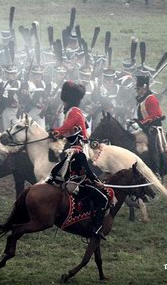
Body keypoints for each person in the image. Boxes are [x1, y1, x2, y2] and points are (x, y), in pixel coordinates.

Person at [47, 81, 109, 240]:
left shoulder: (73, 112)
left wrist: (54, 133)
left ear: (67, 98)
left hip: (79, 147)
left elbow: (66, 127)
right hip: (74, 143)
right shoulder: (72, 110)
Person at [132, 74, 165, 174]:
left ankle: (157, 171)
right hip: (145, 127)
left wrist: (140, 123)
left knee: (152, 146)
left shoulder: (151, 99)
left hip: (153, 128)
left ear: (144, 87)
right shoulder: (142, 98)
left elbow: (155, 115)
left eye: (139, 88)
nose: (137, 90)